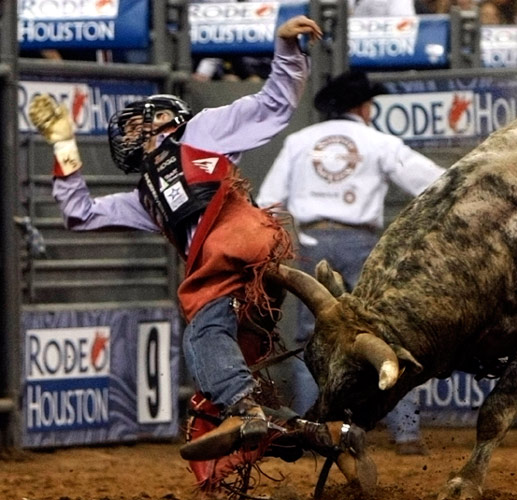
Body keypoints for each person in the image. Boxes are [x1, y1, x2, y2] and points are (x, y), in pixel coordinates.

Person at [28, 15, 329, 462]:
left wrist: (285, 48)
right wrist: (62, 144)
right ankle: (319, 435)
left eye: (137, 124)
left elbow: (274, 104)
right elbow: (80, 213)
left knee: (201, 334)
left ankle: (247, 411)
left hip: (235, 241)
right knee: (220, 363)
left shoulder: (202, 130)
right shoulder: (143, 196)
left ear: (166, 118)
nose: (130, 134)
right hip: (238, 265)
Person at [256, 70, 445, 455]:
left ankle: (313, 432)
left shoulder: (298, 142)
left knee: (313, 338)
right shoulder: (379, 142)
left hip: (310, 243)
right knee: (387, 333)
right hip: (362, 242)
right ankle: (405, 434)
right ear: (363, 107)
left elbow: (269, 202)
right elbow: (434, 183)